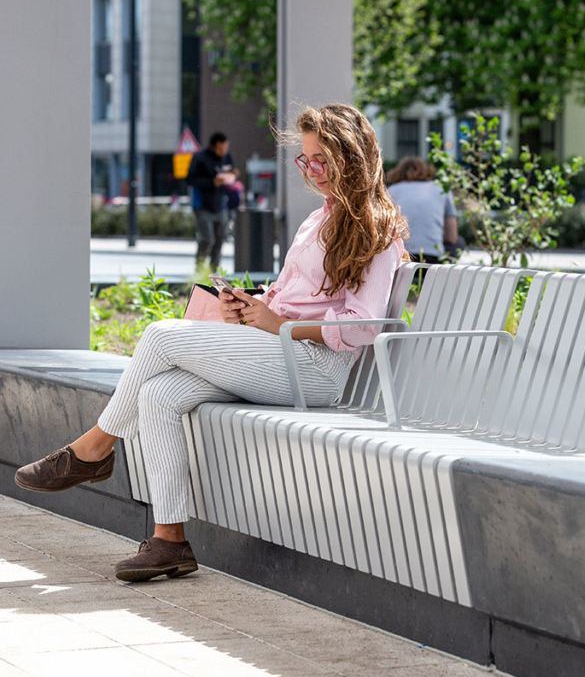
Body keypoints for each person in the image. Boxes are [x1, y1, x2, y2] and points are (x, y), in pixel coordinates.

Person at [15, 105, 406, 583]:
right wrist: (249, 306)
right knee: (159, 395)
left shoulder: (376, 227)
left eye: (322, 159)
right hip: (281, 354)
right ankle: (169, 541)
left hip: (316, 370)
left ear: (352, 155)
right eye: (306, 162)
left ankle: (93, 450)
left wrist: (275, 321)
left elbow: (365, 326)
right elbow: (290, 299)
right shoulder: (316, 221)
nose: (313, 172)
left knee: (159, 333)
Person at [387, 156, 460, 263]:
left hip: (402, 257)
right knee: (459, 242)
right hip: (433, 258)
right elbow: (451, 237)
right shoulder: (441, 189)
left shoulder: (391, 190)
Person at [187, 132, 235, 272]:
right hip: (202, 205)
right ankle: (199, 270)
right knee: (207, 239)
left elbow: (230, 170)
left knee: (219, 240)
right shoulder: (200, 158)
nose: (223, 152)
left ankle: (214, 272)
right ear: (213, 147)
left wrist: (233, 174)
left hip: (220, 205)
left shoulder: (227, 157)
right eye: (220, 149)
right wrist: (211, 182)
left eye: (225, 148)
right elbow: (190, 179)